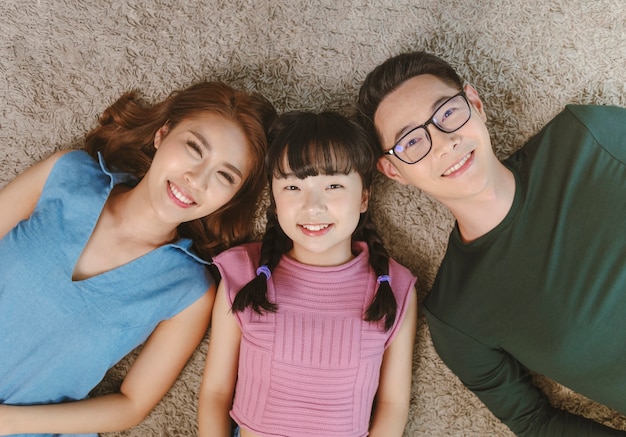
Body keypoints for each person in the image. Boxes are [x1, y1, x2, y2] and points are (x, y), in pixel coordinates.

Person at [356, 51, 626, 436]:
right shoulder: (456, 314)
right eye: (412, 141)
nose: (444, 142)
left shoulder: (585, 135)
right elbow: (534, 421)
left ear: (475, 103)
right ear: (394, 171)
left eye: (447, 113)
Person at [0, 81, 276, 436]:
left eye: (225, 175)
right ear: (162, 134)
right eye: (194, 147)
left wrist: (9, 422)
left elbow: (132, 403)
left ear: (232, 198)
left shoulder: (189, 292)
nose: (197, 178)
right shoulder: (65, 174)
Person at [198, 111, 418, 437]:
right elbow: (215, 393)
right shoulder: (243, 272)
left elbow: (393, 405)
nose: (312, 206)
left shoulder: (395, 286)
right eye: (292, 186)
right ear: (273, 200)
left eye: (333, 185)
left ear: (364, 198)